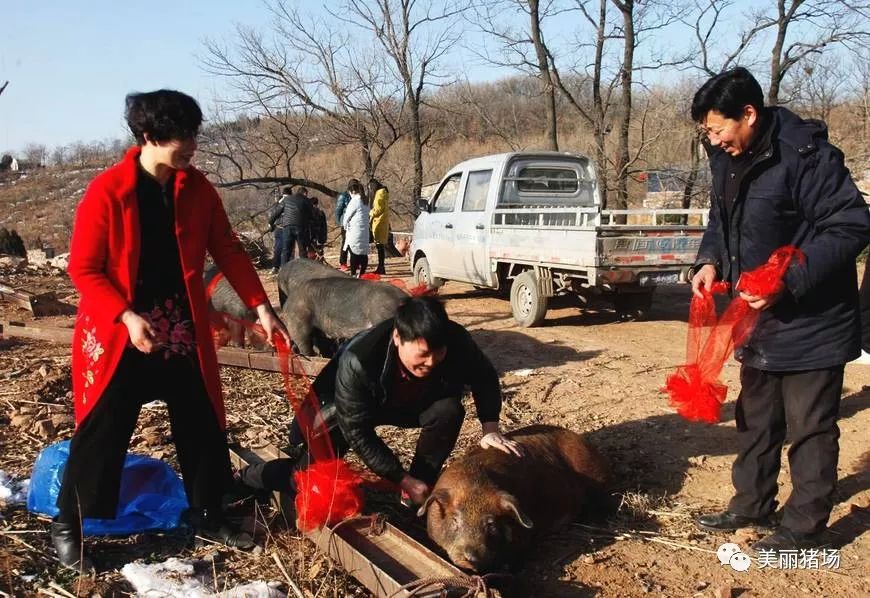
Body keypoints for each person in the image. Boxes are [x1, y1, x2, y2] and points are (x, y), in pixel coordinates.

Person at [56, 89, 291, 570]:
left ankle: (207, 511)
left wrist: (260, 306)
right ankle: (69, 524)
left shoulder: (197, 189)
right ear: (148, 137)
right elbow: (83, 269)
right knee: (104, 428)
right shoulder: (109, 191)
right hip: (120, 329)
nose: (191, 146)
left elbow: (227, 249)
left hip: (177, 327)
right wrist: (124, 315)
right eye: (181, 137)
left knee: (200, 418)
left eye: (193, 134)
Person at [689, 68, 870, 552]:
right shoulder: (726, 155)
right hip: (757, 317)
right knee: (756, 417)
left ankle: (805, 529)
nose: (713, 139)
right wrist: (709, 260)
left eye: (717, 128)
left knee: (809, 427)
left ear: (749, 114)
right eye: (707, 131)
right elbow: (721, 219)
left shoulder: (804, 155)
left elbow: (852, 225)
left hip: (813, 317)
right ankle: (751, 504)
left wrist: (787, 281)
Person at [237, 295, 521, 507]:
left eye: (438, 353)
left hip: (413, 402)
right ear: (398, 337)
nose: (431, 362)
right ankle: (247, 477)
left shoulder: (455, 340)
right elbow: (358, 431)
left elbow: (484, 376)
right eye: (422, 354)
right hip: (343, 408)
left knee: (449, 409)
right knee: (304, 476)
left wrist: (490, 429)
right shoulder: (359, 360)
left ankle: (418, 487)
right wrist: (399, 477)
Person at [279, 185, 314, 266]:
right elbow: (311, 215)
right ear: (305, 193)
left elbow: (277, 212)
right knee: (302, 250)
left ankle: (283, 271)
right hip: (300, 227)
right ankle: (304, 271)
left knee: (286, 250)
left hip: (287, 226)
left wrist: (270, 222)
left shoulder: (287, 199)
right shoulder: (306, 200)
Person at [342, 181, 371, 277]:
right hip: (364, 232)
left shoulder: (354, 201)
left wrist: (345, 226)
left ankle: (354, 274)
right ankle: (362, 274)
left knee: (354, 253)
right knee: (363, 254)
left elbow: (346, 217)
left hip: (355, 232)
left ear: (352, 191)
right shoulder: (365, 200)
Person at [334, 178, 359, 271]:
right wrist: (340, 223)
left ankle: (355, 261)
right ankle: (343, 262)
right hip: (346, 223)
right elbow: (338, 210)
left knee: (356, 243)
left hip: (356, 223)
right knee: (346, 243)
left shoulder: (359, 196)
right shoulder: (343, 196)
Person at [368, 178, 390, 275]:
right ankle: (381, 267)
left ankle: (381, 267)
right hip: (381, 222)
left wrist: (370, 212)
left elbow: (378, 209)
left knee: (379, 246)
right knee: (380, 246)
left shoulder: (380, 193)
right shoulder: (383, 192)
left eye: (370, 188)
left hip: (379, 223)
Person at [268, 187, 291, 274]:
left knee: (278, 248)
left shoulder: (278, 203)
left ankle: (276, 267)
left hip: (279, 227)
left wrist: (270, 224)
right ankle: (284, 268)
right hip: (285, 227)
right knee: (287, 248)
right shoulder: (290, 202)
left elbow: (273, 214)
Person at [309, 195, 328, 261]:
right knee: (320, 251)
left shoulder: (309, 213)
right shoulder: (321, 212)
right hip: (320, 236)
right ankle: (320, 262)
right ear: (317, 203)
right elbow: (324, 226)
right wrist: (324, 236)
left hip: (312, 236)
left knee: (312, 252)